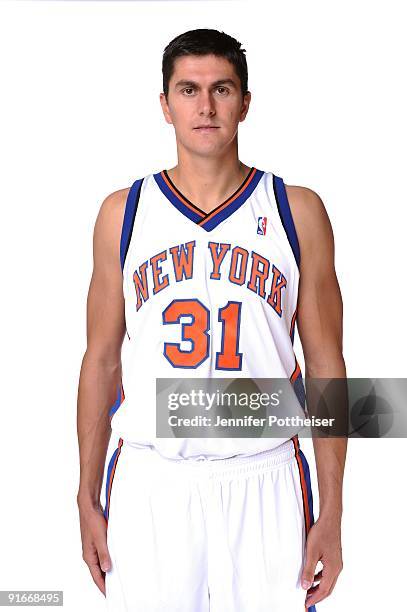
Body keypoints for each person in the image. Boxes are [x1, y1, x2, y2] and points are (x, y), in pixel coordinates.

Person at [76, 28, 347, 611]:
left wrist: (334, 511)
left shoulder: (295, 211)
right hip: (153, 478)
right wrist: (85, 495)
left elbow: (327, 366)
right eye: (188, 90)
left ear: (245, 101)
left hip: (266, 473)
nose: (205, 107)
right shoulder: (123, 214)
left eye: (221, 89)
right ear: (164, 105)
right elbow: (100, 360)